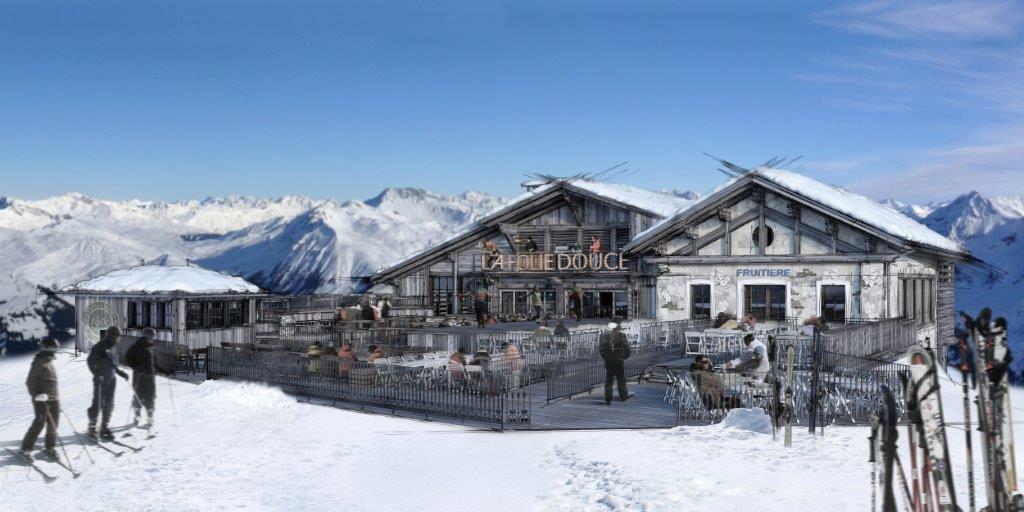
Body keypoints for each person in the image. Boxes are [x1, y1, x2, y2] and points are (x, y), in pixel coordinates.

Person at [19, 339, 61, 461]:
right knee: (40, 423)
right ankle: (26, 449)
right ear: (48, 349)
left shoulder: (49, 362)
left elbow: (52, 382)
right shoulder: (39, 362)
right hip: (41, 399)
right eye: (54, 349)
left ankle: (50, 446)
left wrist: (56, 397)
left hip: (53, 398)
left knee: (54, 424)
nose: (56, 352)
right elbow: (30, 381)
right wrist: (37, 395)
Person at [87, 327, 129, 440]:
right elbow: (90, 361)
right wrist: (96, 374)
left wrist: (121, 373)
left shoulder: (113, 348)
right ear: (113, 336)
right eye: (119, 336)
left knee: (109, 404)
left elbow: (114, 365)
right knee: (98, 402)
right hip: (101, 379)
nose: (120, 338)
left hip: (111, 379)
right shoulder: (99, 346)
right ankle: (92, 427)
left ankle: (104, 427)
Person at [124, 327, 157, 428]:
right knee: (139, 397)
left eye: (153, 337)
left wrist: (165, 371)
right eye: (151, 337)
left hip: (150, 378)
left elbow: (154, 364)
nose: (153, 339)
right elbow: (127, 359)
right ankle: (137, 415)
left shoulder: (151, 348)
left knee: (150, 397)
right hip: (139, 377)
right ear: (146, 337)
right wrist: (137, 367)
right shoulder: (136, 347)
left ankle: (150, 417)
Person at [599, 321, 631, 405]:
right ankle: (623, 396)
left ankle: (608, 399)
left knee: (609, 381)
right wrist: (624, 357)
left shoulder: (605, 336)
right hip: (619, 361)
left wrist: (605, 358)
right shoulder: (622, 336)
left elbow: (601, 349)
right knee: (621, 379)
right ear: (618, 328)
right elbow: (627, 349)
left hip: (609, 361)